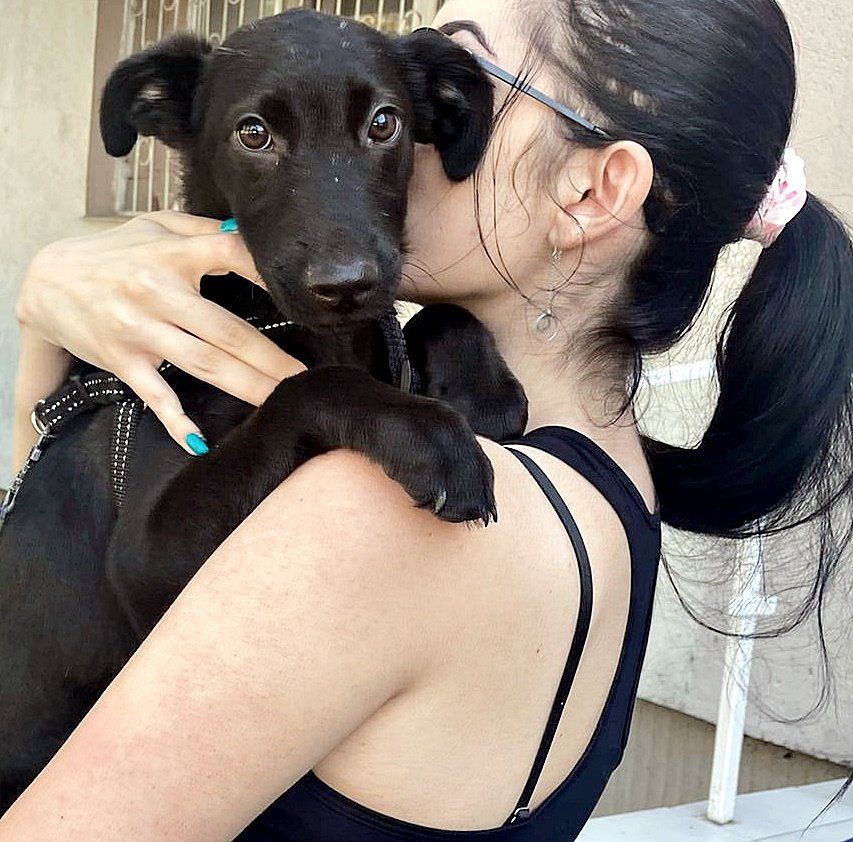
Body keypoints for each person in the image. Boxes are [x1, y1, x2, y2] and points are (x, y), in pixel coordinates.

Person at [2, 0, 851, 838]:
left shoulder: (374, 501)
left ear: (594, 190)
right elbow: (54, 560)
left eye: (451, 91)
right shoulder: (605, 488)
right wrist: (46, 318)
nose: (428, 118)